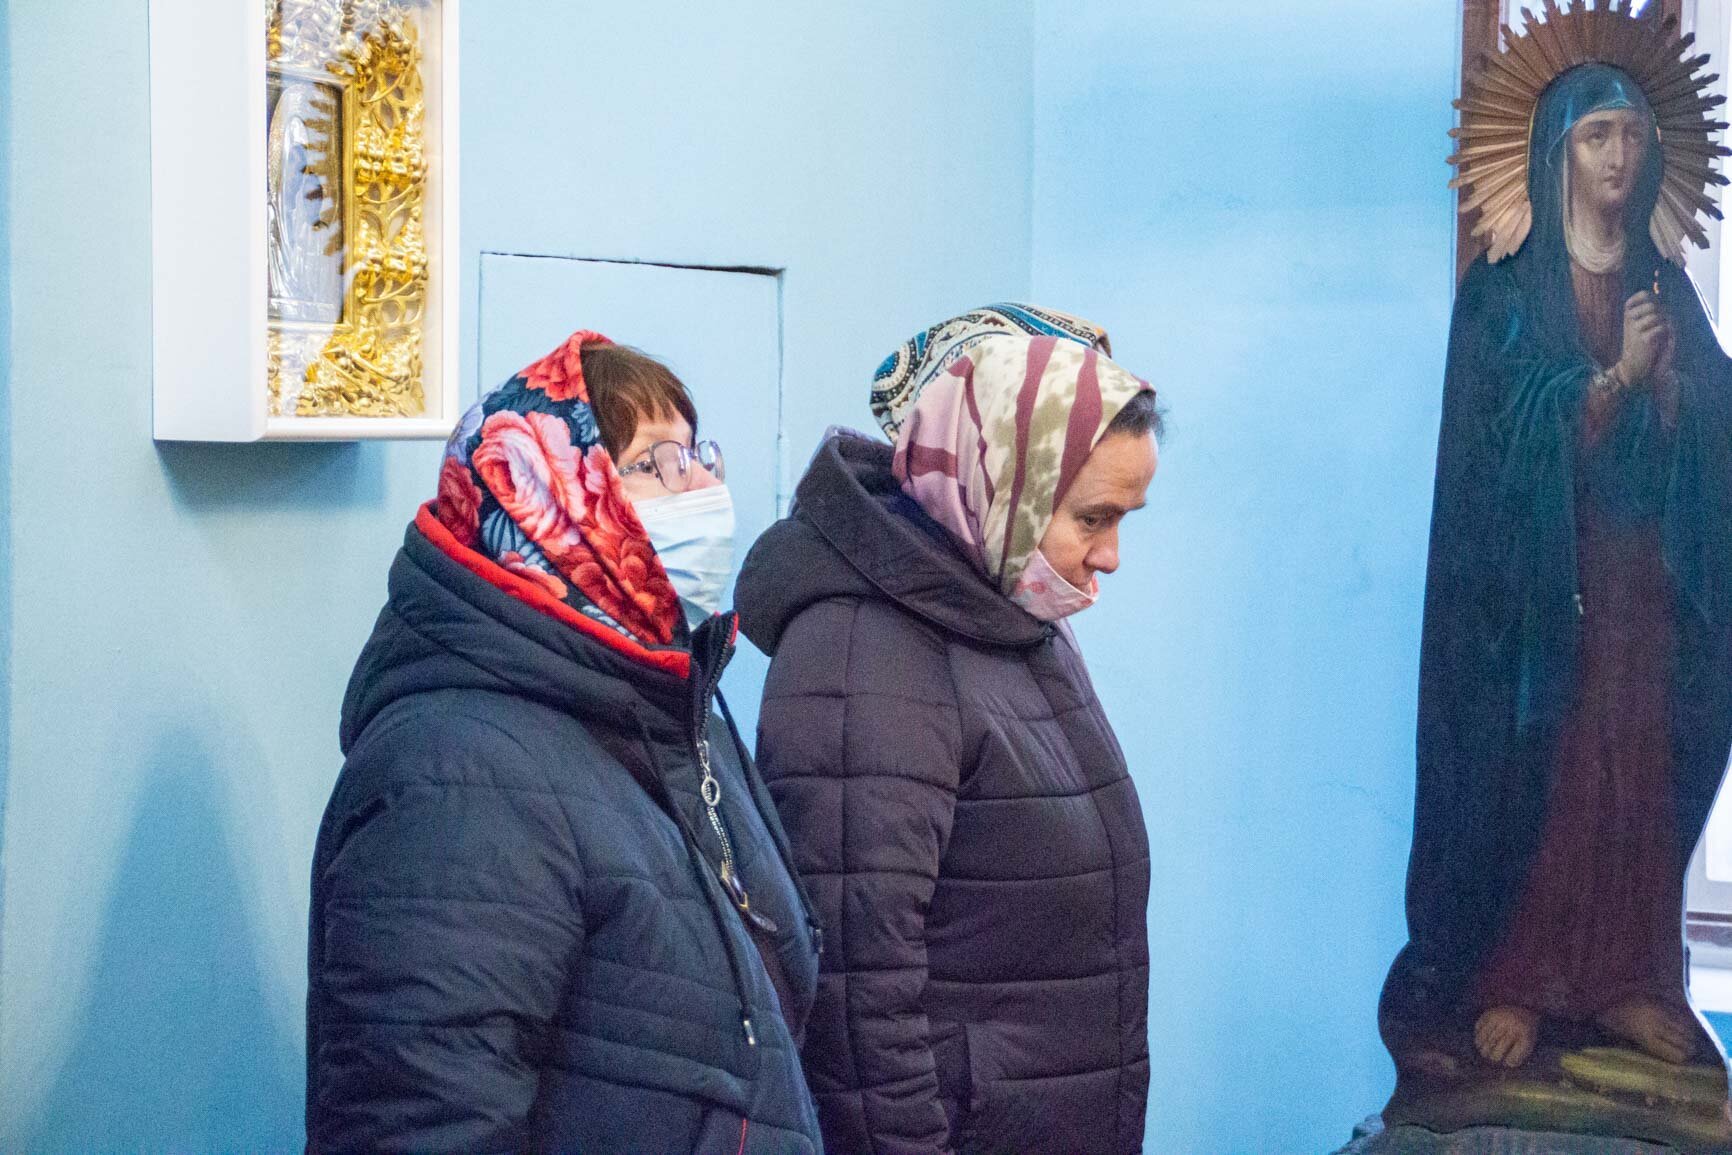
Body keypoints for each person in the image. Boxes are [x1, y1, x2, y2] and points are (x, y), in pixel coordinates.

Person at [305, 330, 825, 1152]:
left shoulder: (675, 706)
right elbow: (424, 1122)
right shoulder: (455, 777)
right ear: (544, 500)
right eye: (654, 463)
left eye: (696, 454)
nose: (702, 486)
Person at [1380, 61, 1732, 1105]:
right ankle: (1518, 974)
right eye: (1596, 136)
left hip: (1640, 585)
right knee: (1546, 764)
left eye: (1632, 135)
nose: (1619, 156)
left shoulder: (1664, 289)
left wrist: (1674, 396)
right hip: (1533, 597)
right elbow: (1490, 446)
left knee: (1637, 763)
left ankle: (1625, 978)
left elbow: (1712, 437)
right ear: (1555, 154)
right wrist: (1612, 381)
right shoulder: (1501, 292)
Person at [737, 305, 1161, 1154]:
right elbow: (856, 1004)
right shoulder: (865, 648)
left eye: (1125, 518)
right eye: (1092, 517)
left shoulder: (1012, 613)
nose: (1111, 555)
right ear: (1000, 481)